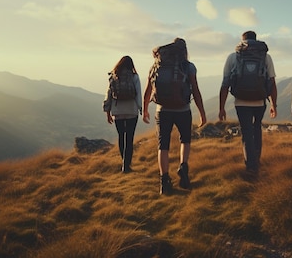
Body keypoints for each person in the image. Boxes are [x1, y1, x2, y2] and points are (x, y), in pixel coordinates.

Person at [143, 38, 206, 195]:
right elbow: (195, 91)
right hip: (183, 109)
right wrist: (202, 113)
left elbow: (148, 90)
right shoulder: (188, 66)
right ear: (184, 50)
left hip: (162, 110)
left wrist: (145, 109)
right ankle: (183, 167)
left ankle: (164, 181)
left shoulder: (157, 65)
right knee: (185, 140)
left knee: (162, 145)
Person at [219, 31, 277, 176]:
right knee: (256, 128)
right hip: (260, 101)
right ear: (255, 40)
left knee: (246, 132)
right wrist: (273, 105)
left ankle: (251, 166)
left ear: (242, 41)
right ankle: (256, 160)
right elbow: (272, 83)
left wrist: (221, 108)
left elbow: (225, 84)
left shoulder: (233, 57)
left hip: (241, 101)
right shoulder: (265, 57)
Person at [102, 56, 142, 173]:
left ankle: (123, 161)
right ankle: (127, 165)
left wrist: (107, 111)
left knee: (121, 137)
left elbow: (108, 95)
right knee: (129, 139)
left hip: (117, 111)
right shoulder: (134, 76)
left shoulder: (113, 76)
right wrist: (140, 108)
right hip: (131, 111)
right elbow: (138, 94)